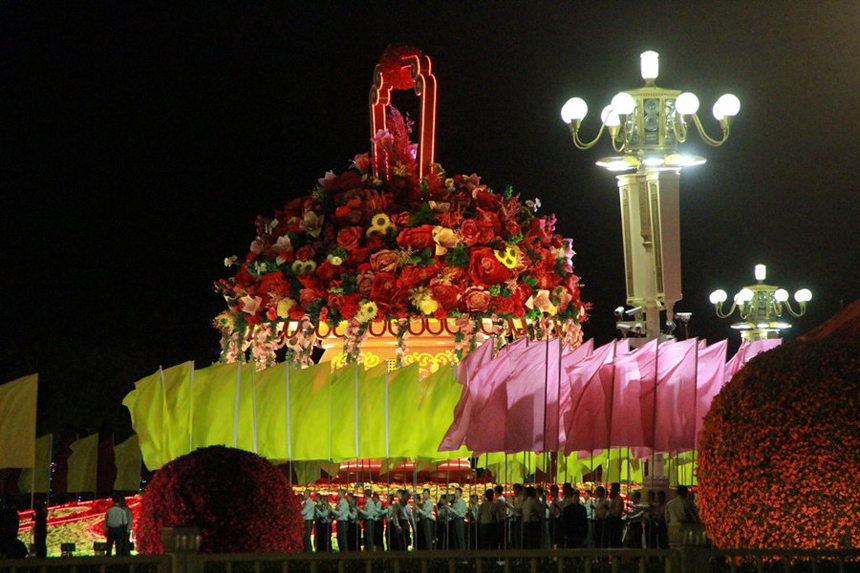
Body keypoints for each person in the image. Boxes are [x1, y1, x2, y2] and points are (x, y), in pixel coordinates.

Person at [606, 483, 624, 548]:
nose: (611, 490)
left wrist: (609, 509)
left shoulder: (619, 499)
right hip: (610, 521)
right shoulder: (612, 499)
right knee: (611, 540)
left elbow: (617, 512)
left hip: (616, 521)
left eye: (612, 489)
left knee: (616, 541)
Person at [493, 485, 507, 549]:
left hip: (500, 520)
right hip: (502, 519)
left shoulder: (499, 500)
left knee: (500, 538)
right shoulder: (503, 499)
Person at [549, 485, 563, 549]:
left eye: (551, 491)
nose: (550, 493)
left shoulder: (559, 501)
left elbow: (559, 512)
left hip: (557, 520)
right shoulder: (554, 500)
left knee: (556, 538)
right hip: (553, 520)